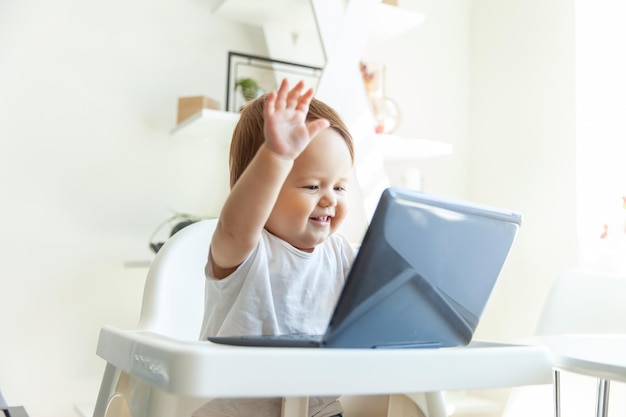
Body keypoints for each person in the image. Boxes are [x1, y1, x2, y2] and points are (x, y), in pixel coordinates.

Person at [194, 79, 357, 417]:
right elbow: (235, 226)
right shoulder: (244, 250)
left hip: (319, 411)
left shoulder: (342, 255)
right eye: (312, 185)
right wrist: (276, 156)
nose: (329, 199)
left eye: (340, 187)